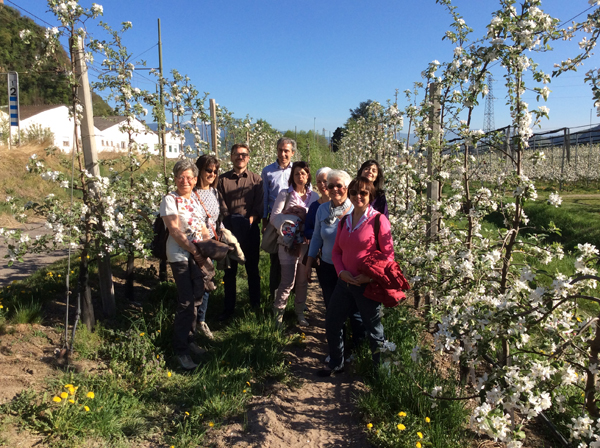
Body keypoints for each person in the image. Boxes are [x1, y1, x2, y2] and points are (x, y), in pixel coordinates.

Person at [319, 176, 395, 377]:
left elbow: (388, 257)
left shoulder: (379, 220)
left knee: (374, 331)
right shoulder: (345, 221)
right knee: (332, 322)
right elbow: (336, 252)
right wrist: (341, 272)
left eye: (363, 192)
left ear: (370, 195)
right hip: (344, 283)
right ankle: (337, 362)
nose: (358, 196)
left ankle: (381, 374)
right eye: (354, 192)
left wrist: (369, 278)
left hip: (366, 286)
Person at [160, 159, 210, 370]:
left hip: (197, 255)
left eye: (189, 177)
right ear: (175, 178)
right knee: (186, 301)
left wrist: (207, 251)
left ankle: (191, 340)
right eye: (181, 177)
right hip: (181, 255)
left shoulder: (196, 199)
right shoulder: (170, 200)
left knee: (197, 298)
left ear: (195, 180)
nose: (185, 181)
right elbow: (174, 230)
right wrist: (194, 252)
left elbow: (203, 226)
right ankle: (180, 350)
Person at [217, 143, 263, 320]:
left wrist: (248, 223)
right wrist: (230, 225)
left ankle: (255, 307)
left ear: (248, 158)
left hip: (250, 230)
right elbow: (221, 205)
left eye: (244, 154)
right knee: (230, 272)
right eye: (237, 154)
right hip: (229, 231)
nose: (240, 157)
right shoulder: (222, 180)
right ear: (231, 157)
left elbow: (258, 206)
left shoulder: (256, 180)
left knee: (253, 269)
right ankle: (228, 309)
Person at [270, 161, 318, 327]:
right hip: (288, 244)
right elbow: (274, 218)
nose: (300, 177)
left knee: (302, 281)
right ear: (293, 176)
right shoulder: (285, 194)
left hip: (306, 244)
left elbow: (317, 220)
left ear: (308, 176)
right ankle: (278, 315)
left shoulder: (315, 196)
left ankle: (299, 313)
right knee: (287, 281)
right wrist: (290, 224)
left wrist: (304, 220)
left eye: (303, 174)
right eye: (297, 174)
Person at [261, 137, 296, 299]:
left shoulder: (297, 171)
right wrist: (264, 220)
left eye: (286, 151)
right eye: (280, 150)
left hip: (295, 221)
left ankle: (293, 296)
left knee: (294, 256)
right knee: (276, 258)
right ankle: (274, 296)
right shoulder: (268, 171)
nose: (283, 154)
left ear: (292, 153)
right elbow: (265, 196)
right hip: (275, 221)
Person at [193, 154, 222, 340]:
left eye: (214, 171)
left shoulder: (214, 192)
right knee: (199, 282)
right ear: (200, 171)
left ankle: (201, 320)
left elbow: (216, 219)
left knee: (207, 282)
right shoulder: (192, 193)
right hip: (197, 245)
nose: (212, 174)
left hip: (211, 244)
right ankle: (196, 322)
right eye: (208, 170)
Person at [304, 166, 331, 241]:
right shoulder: (314, 206)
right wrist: (321, 233)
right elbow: (307, 231)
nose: (322, 185)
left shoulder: (339, 204)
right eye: (319, 182)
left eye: (325, 181)